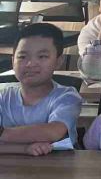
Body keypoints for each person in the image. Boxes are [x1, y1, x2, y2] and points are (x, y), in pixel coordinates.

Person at [0, 23, 82, 156]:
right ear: (12, 61)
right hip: (10, 167)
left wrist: (2, 133)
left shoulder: (67, 96)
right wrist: (25, 149)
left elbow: (53, 132)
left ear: (58, 61)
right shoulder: (3, 97)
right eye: (22, 57)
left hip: (59, 166)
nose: (30, 64)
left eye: (42, 56)